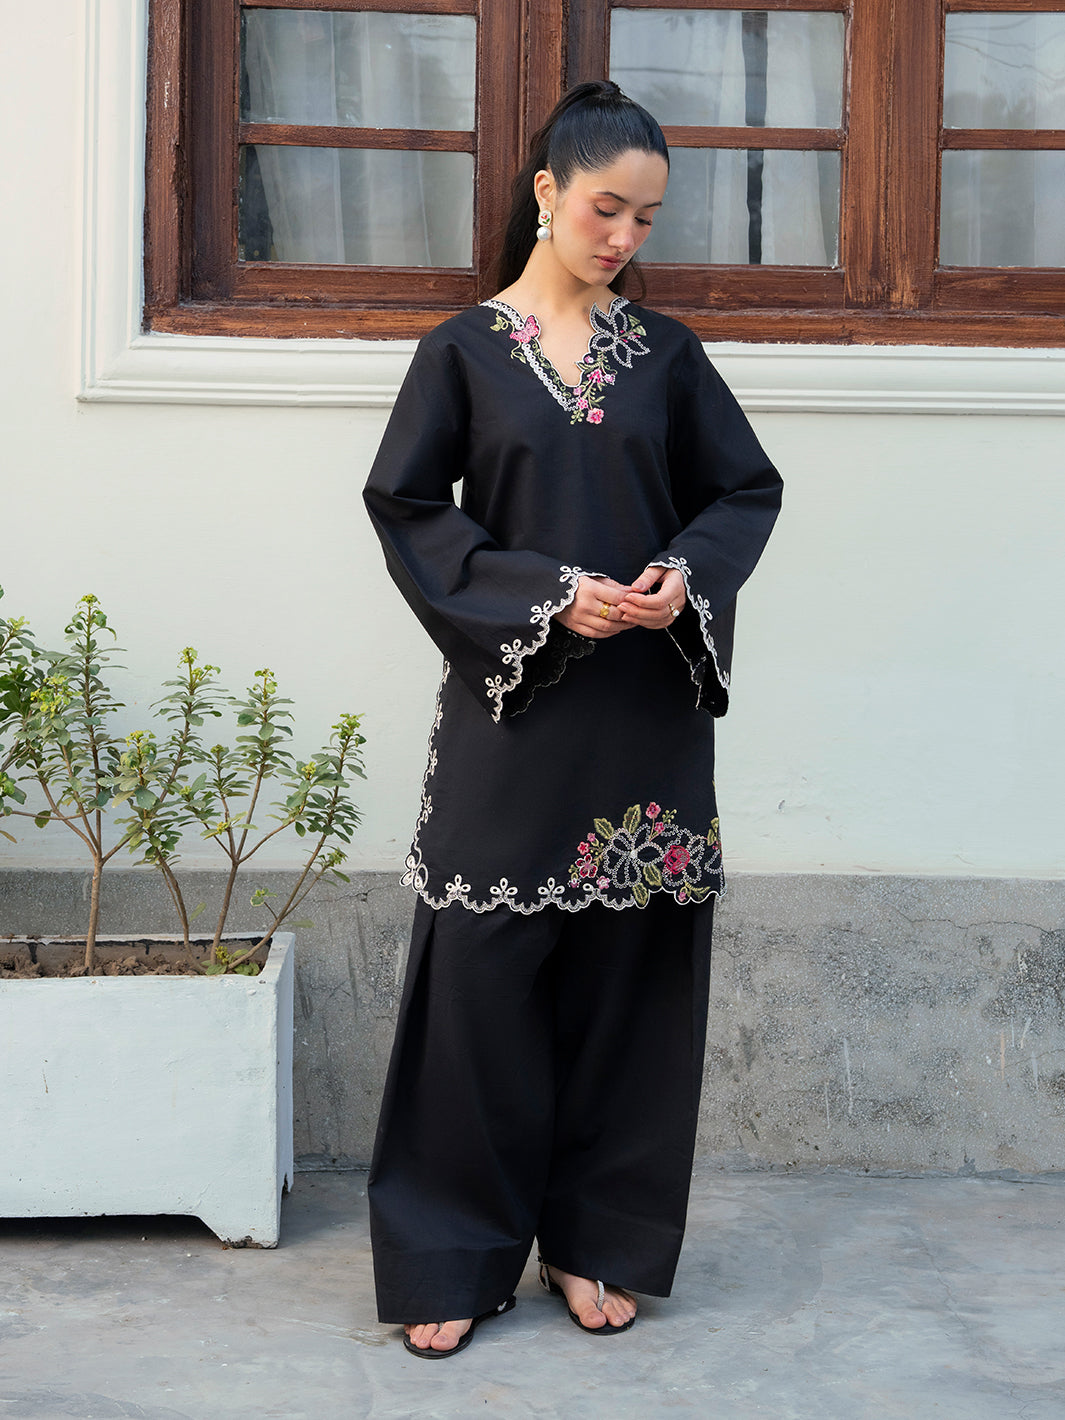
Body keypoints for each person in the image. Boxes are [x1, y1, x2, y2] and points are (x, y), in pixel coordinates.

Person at [362, 80, 782, 1358]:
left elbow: (744, 492)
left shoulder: (668, 356)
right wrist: (546, 595)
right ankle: (453, 1249)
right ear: (547, 191)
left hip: (647, 720)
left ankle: (601, 1238)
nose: (624, 238)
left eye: (647, 219)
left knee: (632, 983)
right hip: (515, 715)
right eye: (607, 208)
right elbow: (408, 509)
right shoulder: (460, 352)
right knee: (478, 987)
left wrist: (681, 579)